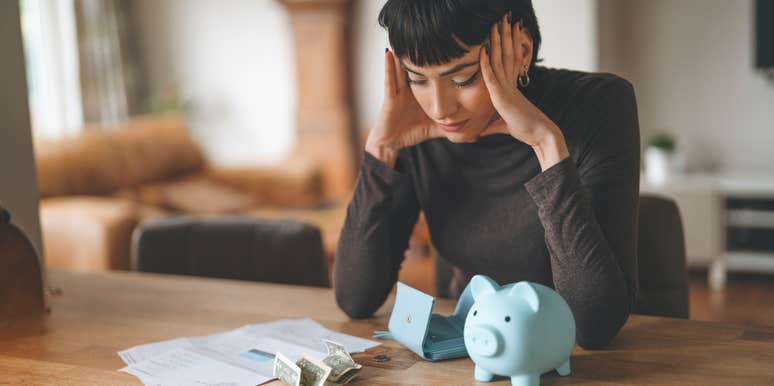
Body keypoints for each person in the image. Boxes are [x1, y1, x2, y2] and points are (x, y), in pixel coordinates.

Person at [334, 0, 640, 350]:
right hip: (472, 350)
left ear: (521, 51)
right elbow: (355, 298)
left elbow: (594, 325)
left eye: (463, 79)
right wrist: (382, 149)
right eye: (416, 79)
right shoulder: (418, 123)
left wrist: (545, 144)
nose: (439, 108)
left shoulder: (599, 104)